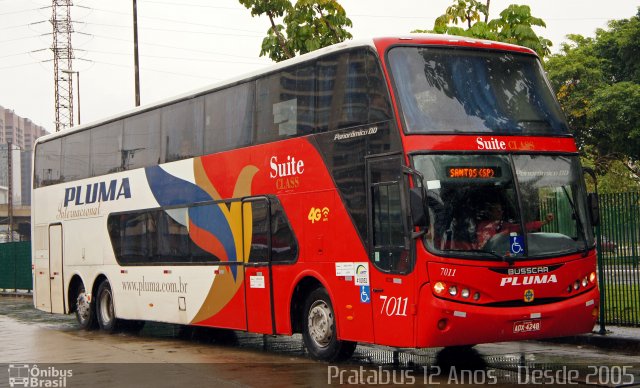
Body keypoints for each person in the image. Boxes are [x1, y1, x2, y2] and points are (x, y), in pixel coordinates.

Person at [475, 201, 554, 249]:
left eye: (501, 210)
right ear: (490, 212)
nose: (500, 212)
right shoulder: (482, 226)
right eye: (497, 210)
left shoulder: (505, 225)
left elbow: (523, 227)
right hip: (489, 258)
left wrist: (545, 222)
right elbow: (482, 247)